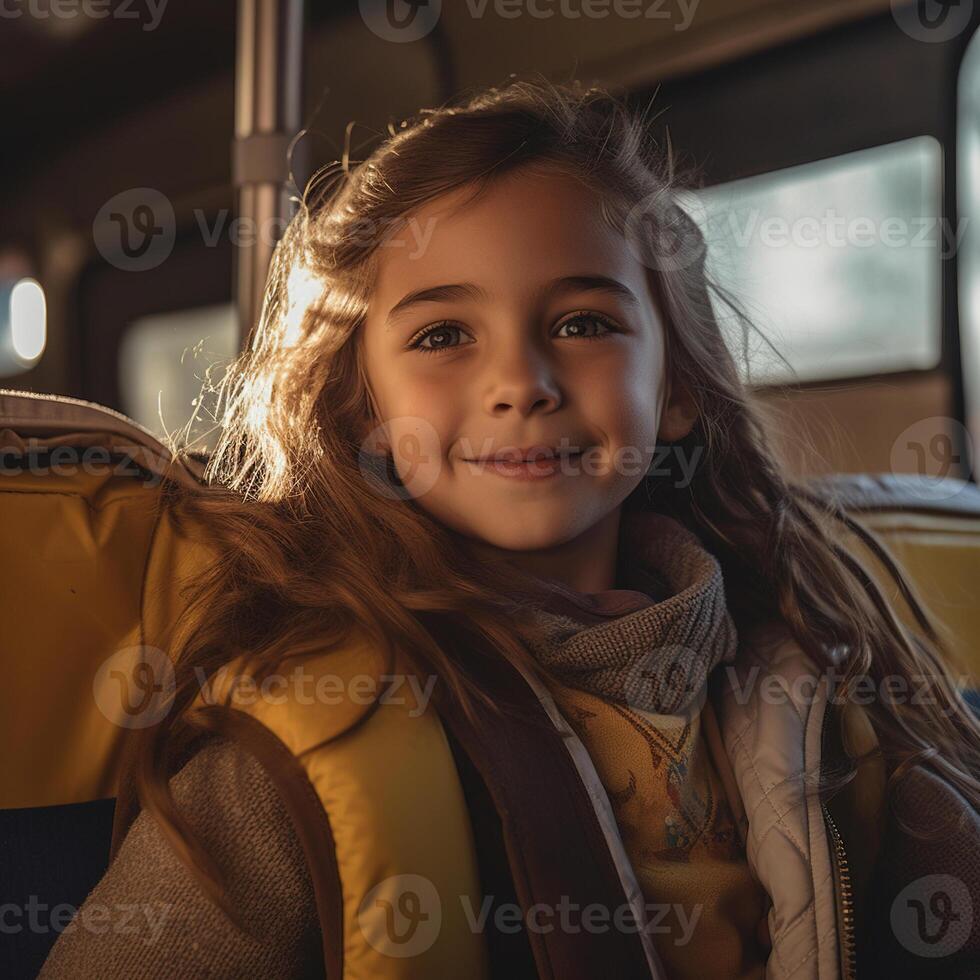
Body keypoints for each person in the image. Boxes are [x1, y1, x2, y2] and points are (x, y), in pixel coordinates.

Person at [40, 76, 980, 980]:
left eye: (580, 323)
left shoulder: (811, 667)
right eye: (443, 336)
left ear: (680, 386)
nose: (521, 382)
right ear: (363, 408)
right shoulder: (301, 745)